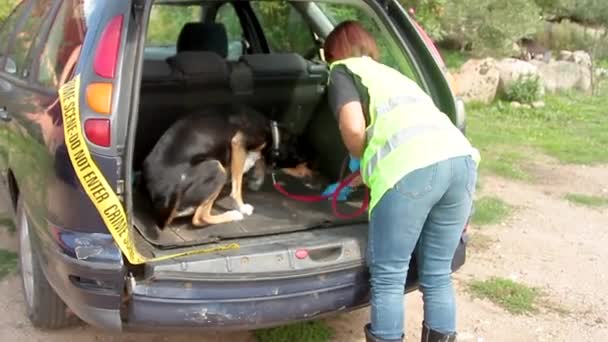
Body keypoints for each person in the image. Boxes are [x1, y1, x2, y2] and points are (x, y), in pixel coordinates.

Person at [323, 21, 480, 342]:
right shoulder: (392, 74)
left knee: (389, 276)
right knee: (436, 273)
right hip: (461, 162)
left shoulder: (342, 69)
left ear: (332, 52)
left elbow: (353, 127)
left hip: (410, 171)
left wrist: (359, 155)